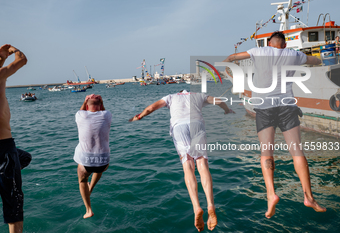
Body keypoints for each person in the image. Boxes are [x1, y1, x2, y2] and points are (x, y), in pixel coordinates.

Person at [224, 31, 326, 218]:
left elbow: (232, 57)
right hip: (287, 106)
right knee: (297, 151)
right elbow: (315, 61)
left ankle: (271, 195)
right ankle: (309, 197)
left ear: (269, 43)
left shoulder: (258, 51)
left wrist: (228, 67)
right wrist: (320, 59)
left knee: (266, 153)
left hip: (264, 108)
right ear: (284, 45)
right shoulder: (294, 55)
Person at [129, 90, 234, 232]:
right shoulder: (199, 95)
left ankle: (197, 207)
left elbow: (150, 108)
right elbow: (220, 101)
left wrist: (139, 117)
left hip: (179, 128)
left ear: (179, 93)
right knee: (202, 164)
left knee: (188, 166)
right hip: (196, 125)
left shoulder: (170, 97)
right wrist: (227, 110)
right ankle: (210, 205)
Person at [0, 44, 31, 233]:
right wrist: (12, 49)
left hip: (7, 153)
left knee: (25, 157)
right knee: (14, 210)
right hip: (4, 150)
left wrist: (1, 59)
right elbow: (22, 60)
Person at [73, 94, 112, 219]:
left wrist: (85, 101)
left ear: (86, 105)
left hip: (86, 163)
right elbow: (102, 109)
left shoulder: (80, 115)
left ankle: (88, 210)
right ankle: (91, 188)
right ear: (100, 105)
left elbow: (82, 109)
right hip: (104, 163)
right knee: (98, 166)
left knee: (82, 179)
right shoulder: (107, 115)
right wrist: (101, 101)